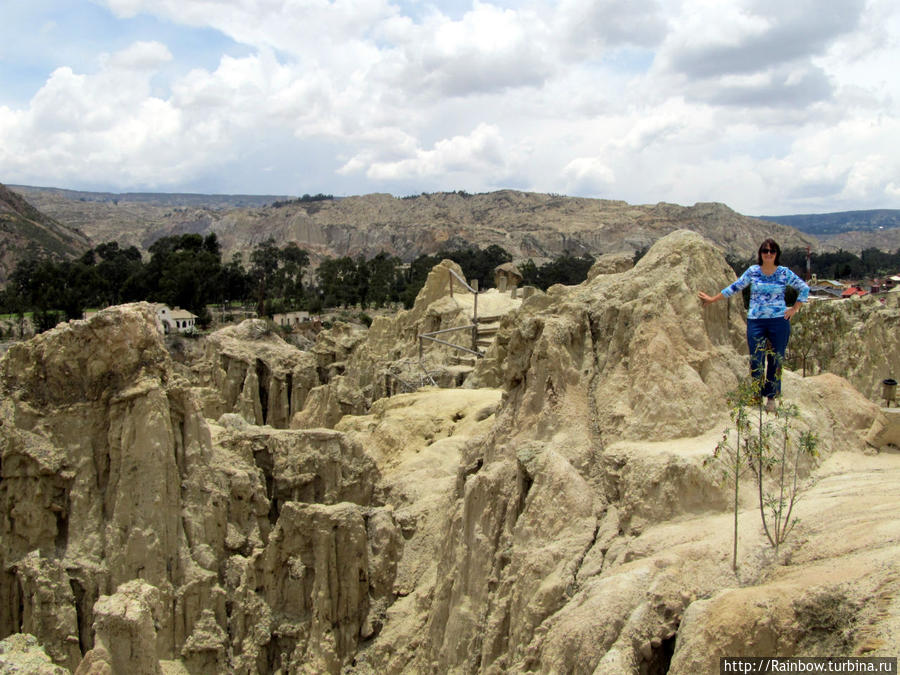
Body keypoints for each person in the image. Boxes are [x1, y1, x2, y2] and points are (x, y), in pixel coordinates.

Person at [699, 238, 810, 412]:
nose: (768, 254)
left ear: (776, 254)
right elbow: (735, 287)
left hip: (779, 321)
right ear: (760, 254)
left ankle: (771, 398)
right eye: (765, 251)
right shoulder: (753, 272)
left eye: (772, 251)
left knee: (776, 359)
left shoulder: (783, 273)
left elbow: (804, 288)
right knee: (756, 359)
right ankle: (757, 394)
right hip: (756, 321)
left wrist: (794, 309)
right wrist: (713, 299)